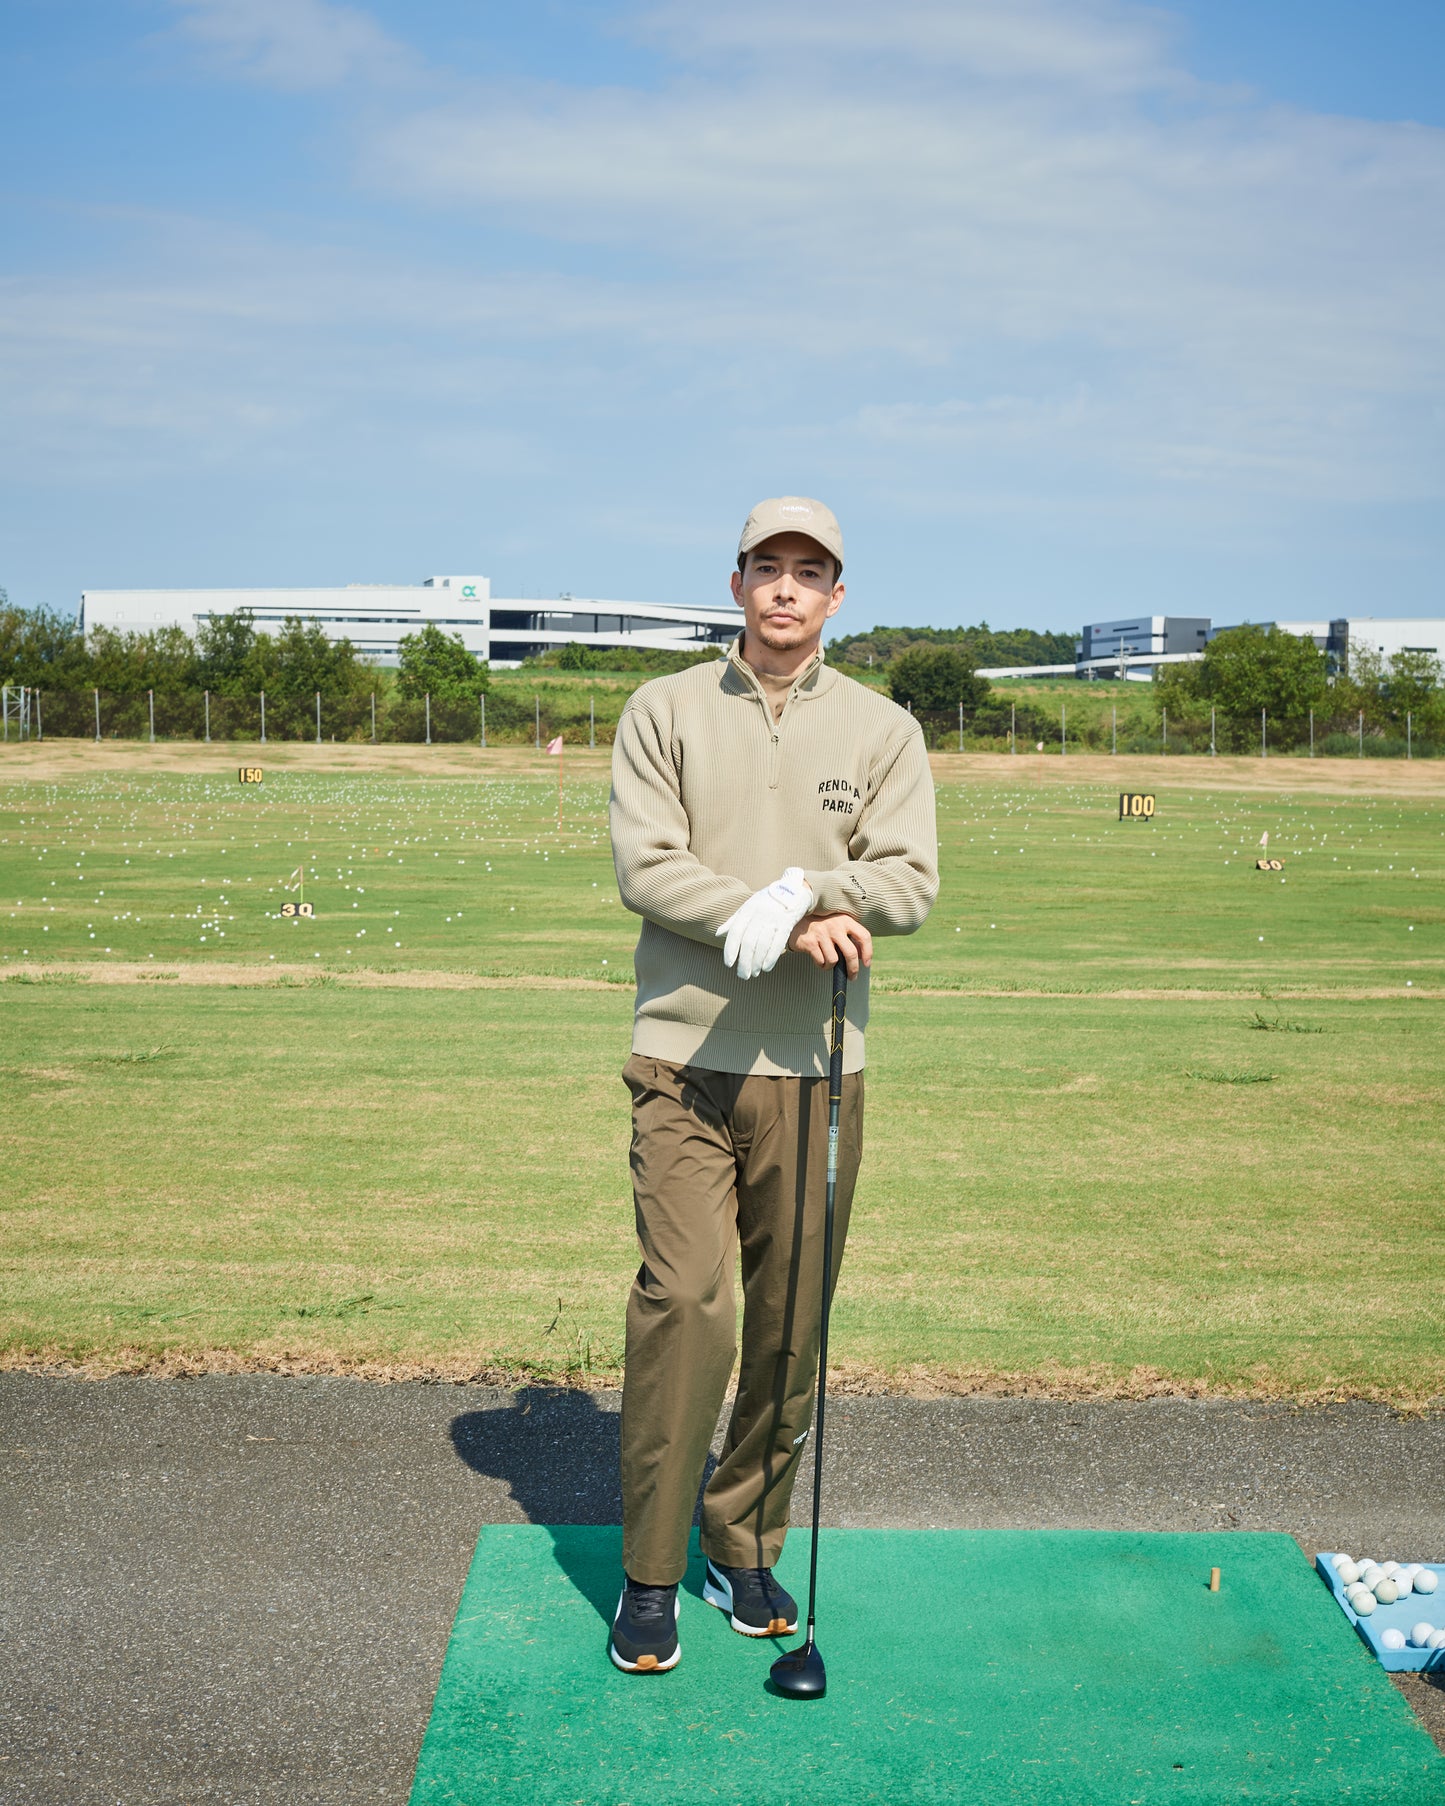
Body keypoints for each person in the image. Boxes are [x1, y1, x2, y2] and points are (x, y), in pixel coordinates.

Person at [606, 495, 938, 1672]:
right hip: (682, 1057)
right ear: (736, 580)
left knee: (791, 1321)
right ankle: (650, 1572)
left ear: (836, 595)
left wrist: (810, 889)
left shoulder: (882, 728)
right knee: (687, 1307)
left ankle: (738, 1543)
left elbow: (907, 882)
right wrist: (760, 911)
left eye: (808, 571)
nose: (785, 587)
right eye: (767, 566)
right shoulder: (663, 709)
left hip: (816, 1067)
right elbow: (647, 865)